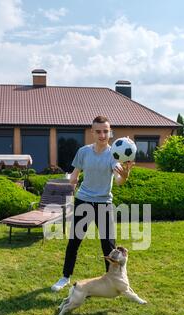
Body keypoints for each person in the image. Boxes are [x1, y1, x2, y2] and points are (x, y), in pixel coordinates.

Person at [51, 116, 134, 292]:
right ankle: (65, 277)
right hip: (83, 200)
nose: (102, 135)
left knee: (108, 245)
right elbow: (74, 175)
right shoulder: (83, 152)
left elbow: (118, 180)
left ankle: (113, 280)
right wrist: (71, 183)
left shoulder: (114, 154)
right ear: (92, 132)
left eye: (106, 131)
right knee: (74, 241)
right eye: (98, 131)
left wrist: (125, 176)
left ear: (110, 133)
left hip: (104, 203)